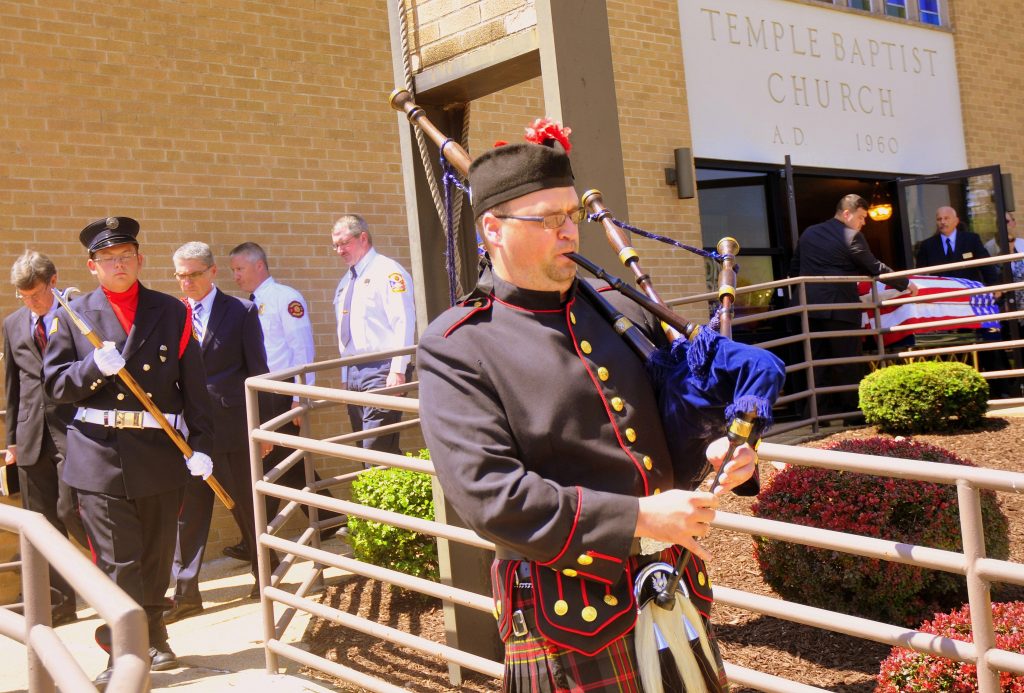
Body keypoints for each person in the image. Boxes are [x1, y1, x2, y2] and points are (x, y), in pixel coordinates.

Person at [417, 124, 775, 691]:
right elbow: (489, 495)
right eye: (547, 219)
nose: (568, 232)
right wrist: (636, 518)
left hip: (671, 586)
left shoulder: (610, 311)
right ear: (493, 229)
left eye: (571, 216)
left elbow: (665, 426)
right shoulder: (460, 344)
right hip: (567, 614)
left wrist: (720, 449)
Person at [42, 217, 214, 689]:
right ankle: (123, 650)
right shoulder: (73, 314)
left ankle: (154, 635)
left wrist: (201, 447)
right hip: (99, 455)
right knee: (119, 561)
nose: (118, 266)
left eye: (126, 257)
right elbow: (55, 385)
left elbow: (193, 386)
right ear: (92, 266)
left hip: (159, 453)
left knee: (158, 555)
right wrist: (91, 368)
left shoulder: (171, 311)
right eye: (108, 259)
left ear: (139, 259)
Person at [165, 241, 271, 620]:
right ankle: (187, 593)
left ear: (212, 272)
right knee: (189, 513)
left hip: (231, 426)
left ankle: (265, 576)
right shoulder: (172, 314)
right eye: (180, 276)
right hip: (188, 433)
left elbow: (258, 371)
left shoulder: (240, 312)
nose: (187, 282)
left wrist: (263, 429)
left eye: (194, 274)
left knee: (246, 504)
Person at [224, 242, 341, 562]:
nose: (235, 276)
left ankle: (257, 540)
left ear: (259, 266)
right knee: (286, 465)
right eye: (233, 270)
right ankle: (330, 518)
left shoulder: (284, 298)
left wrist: (300, 397)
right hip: (262, 392)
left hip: (281, 392)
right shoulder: (245, 304)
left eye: (240, 269)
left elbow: (301, 348)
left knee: (268, 465)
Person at [3, 250, 87, 626]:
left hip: (73, 429)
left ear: (53, 282)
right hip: (30, 433)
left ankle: (117, 577)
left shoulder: (76, 315)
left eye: (36, 294)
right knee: (42, 521)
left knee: (72, 509)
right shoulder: (13, 323)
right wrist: (10, 440)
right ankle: (58, 602)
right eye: (24, 296)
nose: (32, 303)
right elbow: (13, 386)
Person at [791, 194, 918, 419]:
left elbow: (795, 267)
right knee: (847, 361)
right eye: (861, 217)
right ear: (847, 214)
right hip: (840, 307)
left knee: (816, 363)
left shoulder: (809, 233)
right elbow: (874, 267)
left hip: (808, 308)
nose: (864, 223)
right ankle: (852, 413)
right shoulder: (851, 236)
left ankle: (817, 414)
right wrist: (906, 283)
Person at [330, 214, 416, 455]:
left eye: (344, 243)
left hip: (383, 369)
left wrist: (398, 369)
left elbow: (404, 320)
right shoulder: (345, 282)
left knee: (375, 449)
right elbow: (345, 333)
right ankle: (392, 492)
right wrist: (345, 374)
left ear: (363, 238)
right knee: (365, 449)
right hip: (355, 371)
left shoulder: (387, 271)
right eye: (335, 245)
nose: (339, 250)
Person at [915, 206, 998, 285]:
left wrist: (994, 285)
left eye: (946, 218)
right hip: (942, 294)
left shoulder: (971, 239)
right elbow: (920, 274)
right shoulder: (927, 245)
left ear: (956, 221)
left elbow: (986, 265)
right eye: (939, 219)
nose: (942, 222)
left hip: (968, 291)